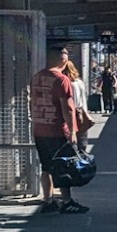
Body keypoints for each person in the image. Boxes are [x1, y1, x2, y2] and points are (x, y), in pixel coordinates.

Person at [28, 49, 88, 215]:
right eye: (66, 53)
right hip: (57, 130)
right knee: (63, 167)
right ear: (62, 59)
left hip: (40, 129)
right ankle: (67, 201)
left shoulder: (37, 77)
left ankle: (47, 200)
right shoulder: (62, 79)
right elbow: (67, 108)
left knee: (46, 166)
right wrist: (72, 131)